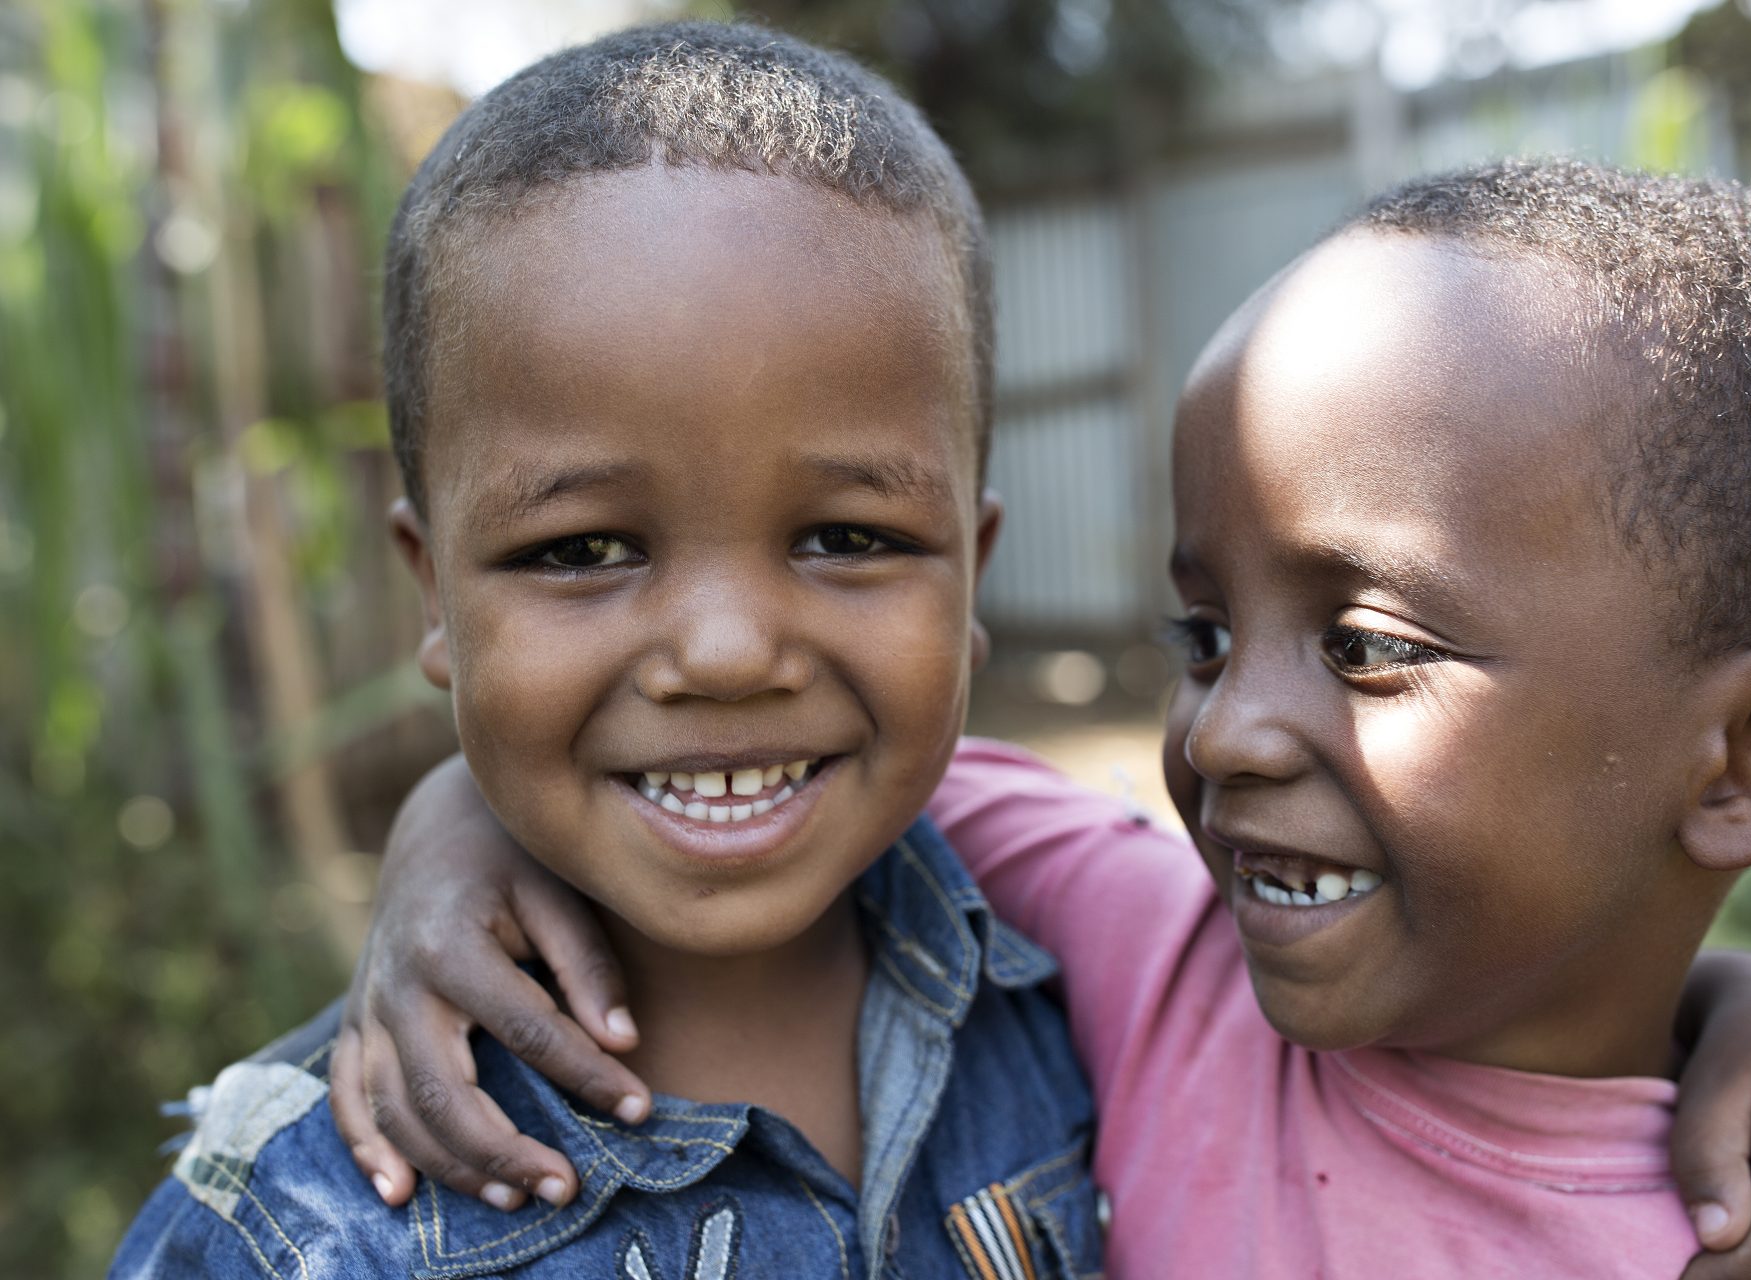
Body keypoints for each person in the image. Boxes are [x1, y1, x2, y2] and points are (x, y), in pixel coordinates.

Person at [331, 159, 1751, 1279]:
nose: (1225, 736)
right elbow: (806, 747)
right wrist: (453, 823)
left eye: (1365, 646)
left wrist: (1745, 1003)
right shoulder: (1165, 968)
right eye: (1208, 636)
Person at [110, 22, 1108, 1280]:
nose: (730, 650)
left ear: (974, 568)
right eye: (583, 551)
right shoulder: (306, 1221)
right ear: (435, 595)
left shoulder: (1078, 997)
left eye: (847, 535)